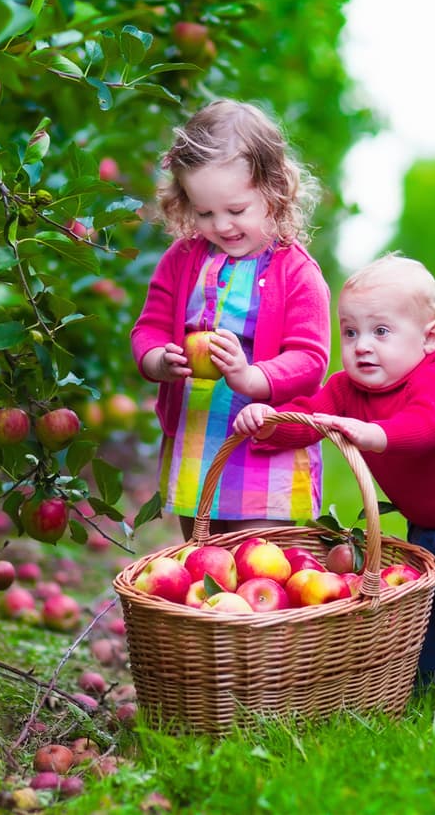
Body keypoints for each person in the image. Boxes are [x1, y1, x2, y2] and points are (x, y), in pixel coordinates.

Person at [233, 254, 435, 733]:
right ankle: (429, 682)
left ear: (430, 338)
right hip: (428, 526)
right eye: (350, 333)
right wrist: (268, 424)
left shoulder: (434, 380)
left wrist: (370, 433)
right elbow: (311, 417)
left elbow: (422, 430)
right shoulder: (346, 389)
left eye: (381, 332)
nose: (362, 347)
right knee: (433, 611)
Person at [131, 99, 332, 540]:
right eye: (204, 213)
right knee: (203, 560)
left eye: (236, 210)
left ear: (274, 192)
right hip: (198, 440)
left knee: (258, 564)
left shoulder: (296, 272)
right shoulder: (182, 260)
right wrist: (157, 362)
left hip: (266, 450)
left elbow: (310, 358)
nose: (221, 225)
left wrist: (251, 376)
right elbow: (148, 327)